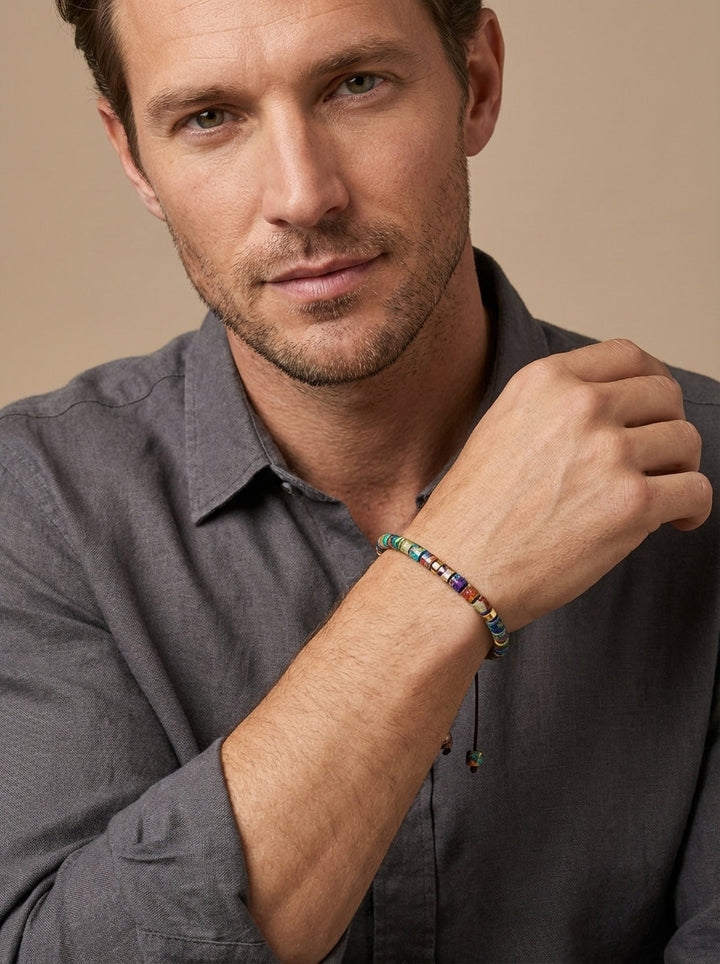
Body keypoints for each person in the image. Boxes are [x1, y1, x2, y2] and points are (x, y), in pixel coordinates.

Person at [0, 0, 717, 961]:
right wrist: (446, 575)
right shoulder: (31, 506)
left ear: (478, 84)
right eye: (209, 117)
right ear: (134, 158)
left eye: (356, 85)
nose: (304, 196)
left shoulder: (708, 469)